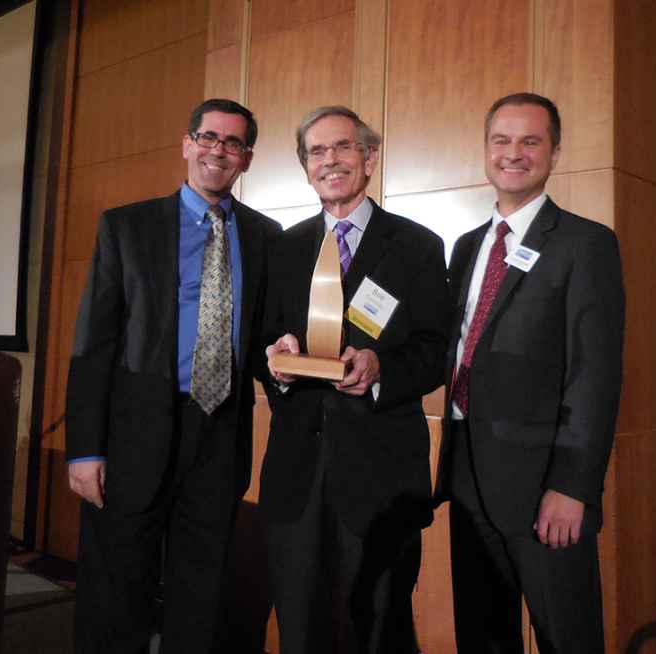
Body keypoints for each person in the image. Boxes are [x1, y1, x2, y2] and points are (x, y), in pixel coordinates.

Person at [65, 98, 281, 653]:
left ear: (247, 158)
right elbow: (94, 345)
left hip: (219, 433)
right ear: (187, 144)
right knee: (117, 595)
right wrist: (84, 449)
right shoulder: (126, 226)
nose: (219, 150)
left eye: (233, 143)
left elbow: (265, 337)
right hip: (133, 436)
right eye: (209, 137)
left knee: (201, 592)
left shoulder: (266, 236)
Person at [436, 92, 625, 653]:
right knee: (483, 636)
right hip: (468, 473)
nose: (513, 153)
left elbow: (595, 374)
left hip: (545, 487)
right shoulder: (468, 247)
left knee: (566, 637)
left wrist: (572, 486)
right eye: (501, 140)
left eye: (530, 141)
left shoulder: (585, 244)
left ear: (554, 152)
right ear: (486, 150)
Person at [261, 106, 448, 653]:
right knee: (301, 625)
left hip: (381, 474)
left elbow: (436, 352)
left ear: (368, 158)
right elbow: (260, 342)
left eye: (343, 147)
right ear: (305, 167)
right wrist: (277, 361)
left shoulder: (417, 245)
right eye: (316, 152)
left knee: (379, 627)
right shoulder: (285, 247)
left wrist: (381, 369)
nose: (330, 161)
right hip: (297, 473)